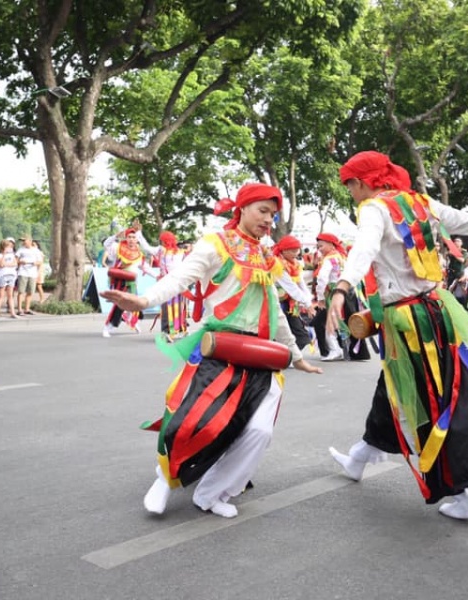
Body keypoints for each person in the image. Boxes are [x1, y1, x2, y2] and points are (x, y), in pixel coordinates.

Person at [325, 151, 468, 520]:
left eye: (350, 187)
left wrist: (342, 287)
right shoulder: (420, 202)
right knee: (394, 390)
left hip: (408, 322)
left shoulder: (374, 208)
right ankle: (359, 457)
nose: (352, 194)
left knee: (423, 401)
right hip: (433, 311)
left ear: (360, 182)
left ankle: (458, 493)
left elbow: (364, 248)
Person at [101, 183, 322, 519]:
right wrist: (144, 300)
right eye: (262, 211)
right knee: (194, 422)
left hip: (261, 354)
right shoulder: (216, 244)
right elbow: (179, 278)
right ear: (243, 209)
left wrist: (296, 355)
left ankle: (212, 493)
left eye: (273, 215)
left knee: (259, 432)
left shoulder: (267, 257)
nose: (268, 220)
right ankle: (165, 478)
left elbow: (274, 310)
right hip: (218, 348)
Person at [137, 228, 190, 339]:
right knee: (171, 306)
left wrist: (139, 233)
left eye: (162, 240)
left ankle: (177, 329)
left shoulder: (175, 252)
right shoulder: (167, 251)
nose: (161, 242)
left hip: (174, 282)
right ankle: (170, 331)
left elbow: (146, 247)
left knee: (176, 306)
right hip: (173, 282)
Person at [101, 226, 148, 337]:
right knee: (120, 304)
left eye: (134, 237)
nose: (131, 239)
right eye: (129, 237)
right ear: (126, 238)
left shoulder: (138, 253)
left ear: (137, 239)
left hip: (132, 283)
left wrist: (157, 276)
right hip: (120, 281)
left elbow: (145, 267)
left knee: (135, 304)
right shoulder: (118, 247)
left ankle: (131, 320)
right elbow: (106, 244)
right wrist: (116, 236)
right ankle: (109, 326)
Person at [272, 234, 315, 351]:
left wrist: (309, 302)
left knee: (302, 335)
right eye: (293, 251)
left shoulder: (295, 263)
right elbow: (291, 287)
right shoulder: (277, 264)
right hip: (275, 303)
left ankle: (289, 356)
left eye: (297, 250)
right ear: (283, 250)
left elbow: (301, 284)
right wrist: (307, 304)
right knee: (280, 334)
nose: (296, 253)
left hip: (290, 303)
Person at [311, 232, 347, 361]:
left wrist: (320, 297)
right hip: (342, 292)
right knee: (336, 320)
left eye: (321, 246)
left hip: (331, 293)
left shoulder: (328, 260)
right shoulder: (340, 257)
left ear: (331, 244)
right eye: (318, 247)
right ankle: (340, 349)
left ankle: (334, 349)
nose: (319, 249)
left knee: (329, 321)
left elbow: (322, 279)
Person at [15, 236, 42, 316]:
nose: (24, 242)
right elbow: (16, 260)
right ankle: (19, 309)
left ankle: (27, 309)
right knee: (21, 291)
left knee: (30, 292)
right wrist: (21, 262)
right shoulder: (21, 250)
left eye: (25, 241)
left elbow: (40, 261)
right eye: (23, 241)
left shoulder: (36, 250)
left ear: (30, 241)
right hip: (23, 272)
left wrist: (35, 263)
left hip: (32, 273)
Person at [0, 239, 19, 319]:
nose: (10, 248)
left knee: (10, 295)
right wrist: (4, 254)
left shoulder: (13, 255)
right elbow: (1, 264)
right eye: (8, 246)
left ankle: (12, 312)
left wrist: (6, 264)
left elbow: (15, 264)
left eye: (10, 246)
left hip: (11, 275)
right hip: (3, 275)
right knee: (0, 295)